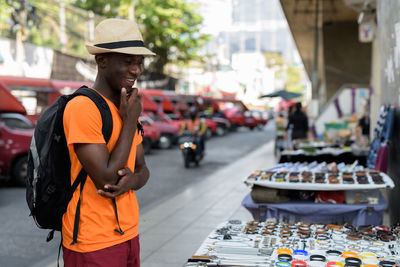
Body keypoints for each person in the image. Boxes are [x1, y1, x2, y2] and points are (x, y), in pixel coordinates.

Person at [62, 18, 154, 267]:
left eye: (139, 62)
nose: (136, 70)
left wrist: (133, 180)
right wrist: (130, 120)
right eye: (127, 61)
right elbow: (106, 178)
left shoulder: (124, 107)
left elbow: (142, 167)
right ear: (101, 60)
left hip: (128, 233)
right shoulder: (82, 107)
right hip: (92, 241)